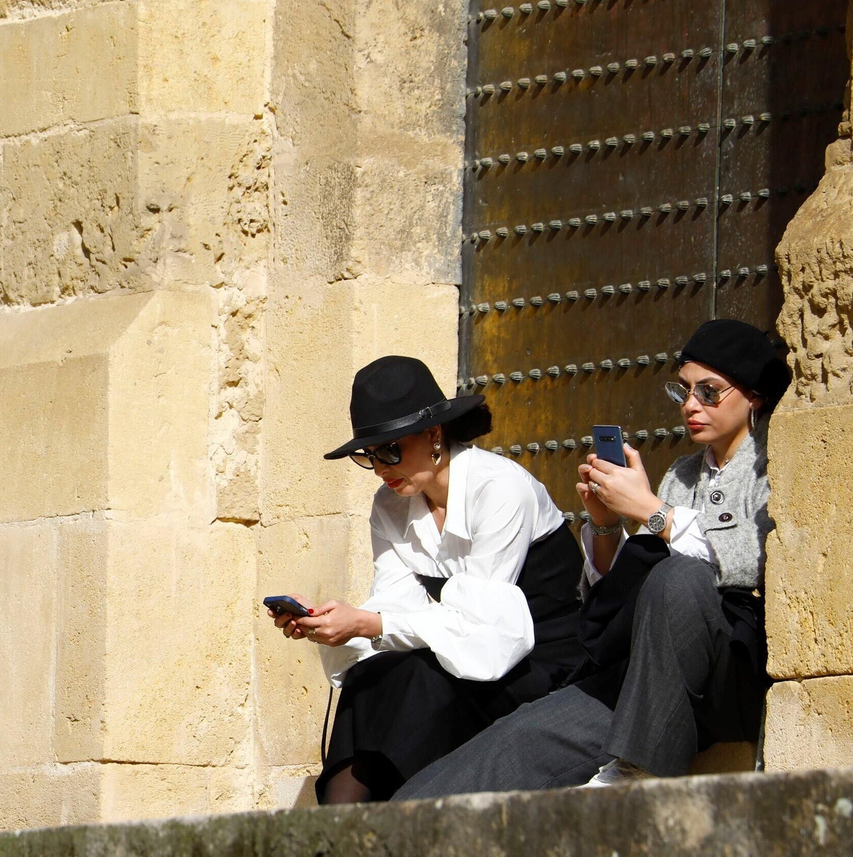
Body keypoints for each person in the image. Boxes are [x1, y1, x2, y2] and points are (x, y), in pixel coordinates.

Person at [394, 319, 788, 800]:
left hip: (732, 672)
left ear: (754, 397)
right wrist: (605, 523)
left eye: (709, 392)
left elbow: (750, 564)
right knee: (505, 746)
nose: (690, 406)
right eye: (684, 391)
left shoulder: (778, 461)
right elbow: (623, 596)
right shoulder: (682, 475)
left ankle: (641, 770)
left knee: (681, 575)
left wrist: (650, 511)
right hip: (644, 675)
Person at [268, 356, 586, 803]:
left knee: (416, 681)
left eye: (390, 451)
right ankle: (344, 829)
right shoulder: (390, 505)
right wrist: (333, 624)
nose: (380, 468)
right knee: (372, 677)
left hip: (534, 656)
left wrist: (368, 624)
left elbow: (484, 635)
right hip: (454, 653)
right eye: (369, 455)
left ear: (434, 435)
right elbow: (396, 605)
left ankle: (376, 828)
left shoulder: (499, 488)